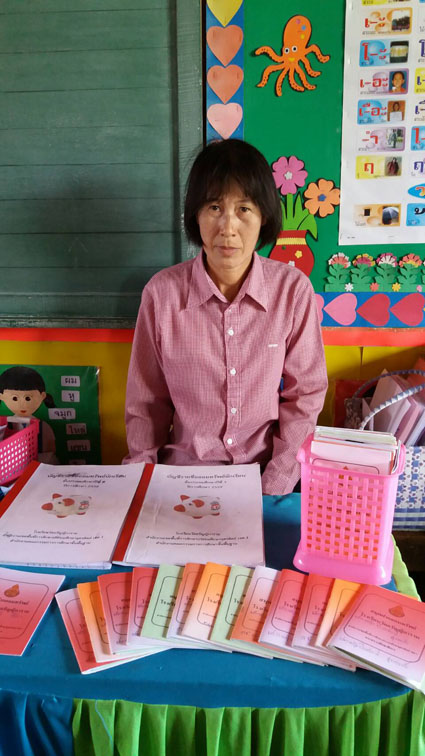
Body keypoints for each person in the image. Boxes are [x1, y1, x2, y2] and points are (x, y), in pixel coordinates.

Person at [124, 139, 328, 494]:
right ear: (195, 215)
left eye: (244, 209)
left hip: (265, 477)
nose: (228, 227)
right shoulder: (161, 295)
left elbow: (305, 398)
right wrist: (141, 487)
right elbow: (146, 404)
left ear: (264, 217)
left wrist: (273, 487)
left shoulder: (292, 291)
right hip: (184, 479)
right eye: (215, 207)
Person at [0, 366, 57, 462]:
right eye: (15, 398)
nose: (22, 404)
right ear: (1, 396)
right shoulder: (3, 426)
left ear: (42, 396)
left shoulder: (44, 427)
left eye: (28, 398)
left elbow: (50, 452)